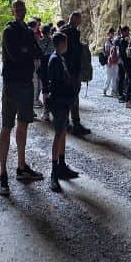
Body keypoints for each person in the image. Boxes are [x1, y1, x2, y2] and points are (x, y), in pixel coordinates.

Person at [0, 0, 45, 195]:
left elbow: (38, 52)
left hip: (26, 83)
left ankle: (21, 166)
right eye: (17, 8)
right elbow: (16, 54)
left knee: (23, 125)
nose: (20, 11)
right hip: (12, 83)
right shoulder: (9, 31)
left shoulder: (27, 31)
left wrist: (27, 51)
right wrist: (28, 52)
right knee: (7, 127)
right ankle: (2, 174)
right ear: (13, 11)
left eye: (23, 8)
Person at [46, 31, 80, 192]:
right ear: (60, 44)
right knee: (59, 134)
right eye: (65, 43)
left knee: (63, 132)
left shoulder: (60, 58)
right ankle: (54, 172)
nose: (67, 46)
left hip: (64, 101)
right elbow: (56, 84)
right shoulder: (55, 60)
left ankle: (61, 164)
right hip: (59, 102)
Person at [62, 11, 91, 135]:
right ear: (75, 19)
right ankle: (74, 123)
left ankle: (68, 122)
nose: (81, 22)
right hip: (71, 69)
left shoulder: (63, 30)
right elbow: (71, 52)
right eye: (79, 19)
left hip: (70, 69)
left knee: (71, 96)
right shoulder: (70, 32)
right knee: (72, 97)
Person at [37, 25, 55, 121]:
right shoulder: (53, 41)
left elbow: (37, 54)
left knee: (45, 90)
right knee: (53, 88)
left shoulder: (39, 42)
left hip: (43, 66)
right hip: (53, 65)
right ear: (49, 32)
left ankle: (46, 112)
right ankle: (55, 111)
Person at [116, 26, 131, 103]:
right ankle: (126, 96)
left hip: (121, 62)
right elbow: (125, 53)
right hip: (125, 62)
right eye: (127, 31)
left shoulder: (119, 40)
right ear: (123, 32)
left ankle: (121, 94)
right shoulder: (123, 41)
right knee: (129, 79)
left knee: (122, 78)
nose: (128, 33)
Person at [102, 28, 119, 97]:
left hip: (115, 61)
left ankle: (113, 91)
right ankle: (105, 90)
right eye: (111, 33)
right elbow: (107, 52)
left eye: (113, 33)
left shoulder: (114, 41)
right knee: (109, 76)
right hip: (109, 61)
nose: (112, 34)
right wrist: (109, 60)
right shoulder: (107, 41)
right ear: (109, 33)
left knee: (115, 76)